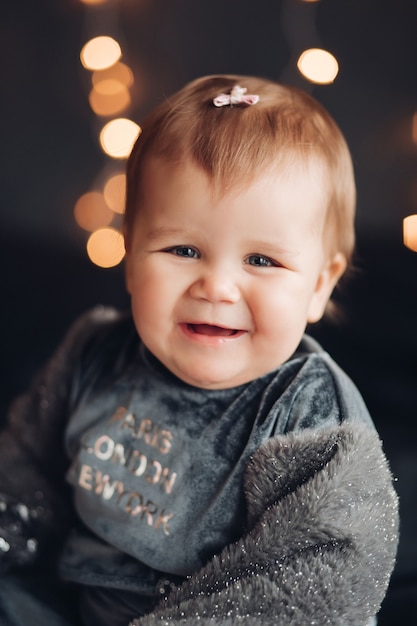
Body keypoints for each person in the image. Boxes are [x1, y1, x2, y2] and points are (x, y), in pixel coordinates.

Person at [0, 75, 398, 626]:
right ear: (130, 256)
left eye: (261, 260)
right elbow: (25, 477)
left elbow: (317, 577)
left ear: (320, 285)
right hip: (71, 603)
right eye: (183, 249)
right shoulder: (92, 355)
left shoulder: (309, 415)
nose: (216, 287)